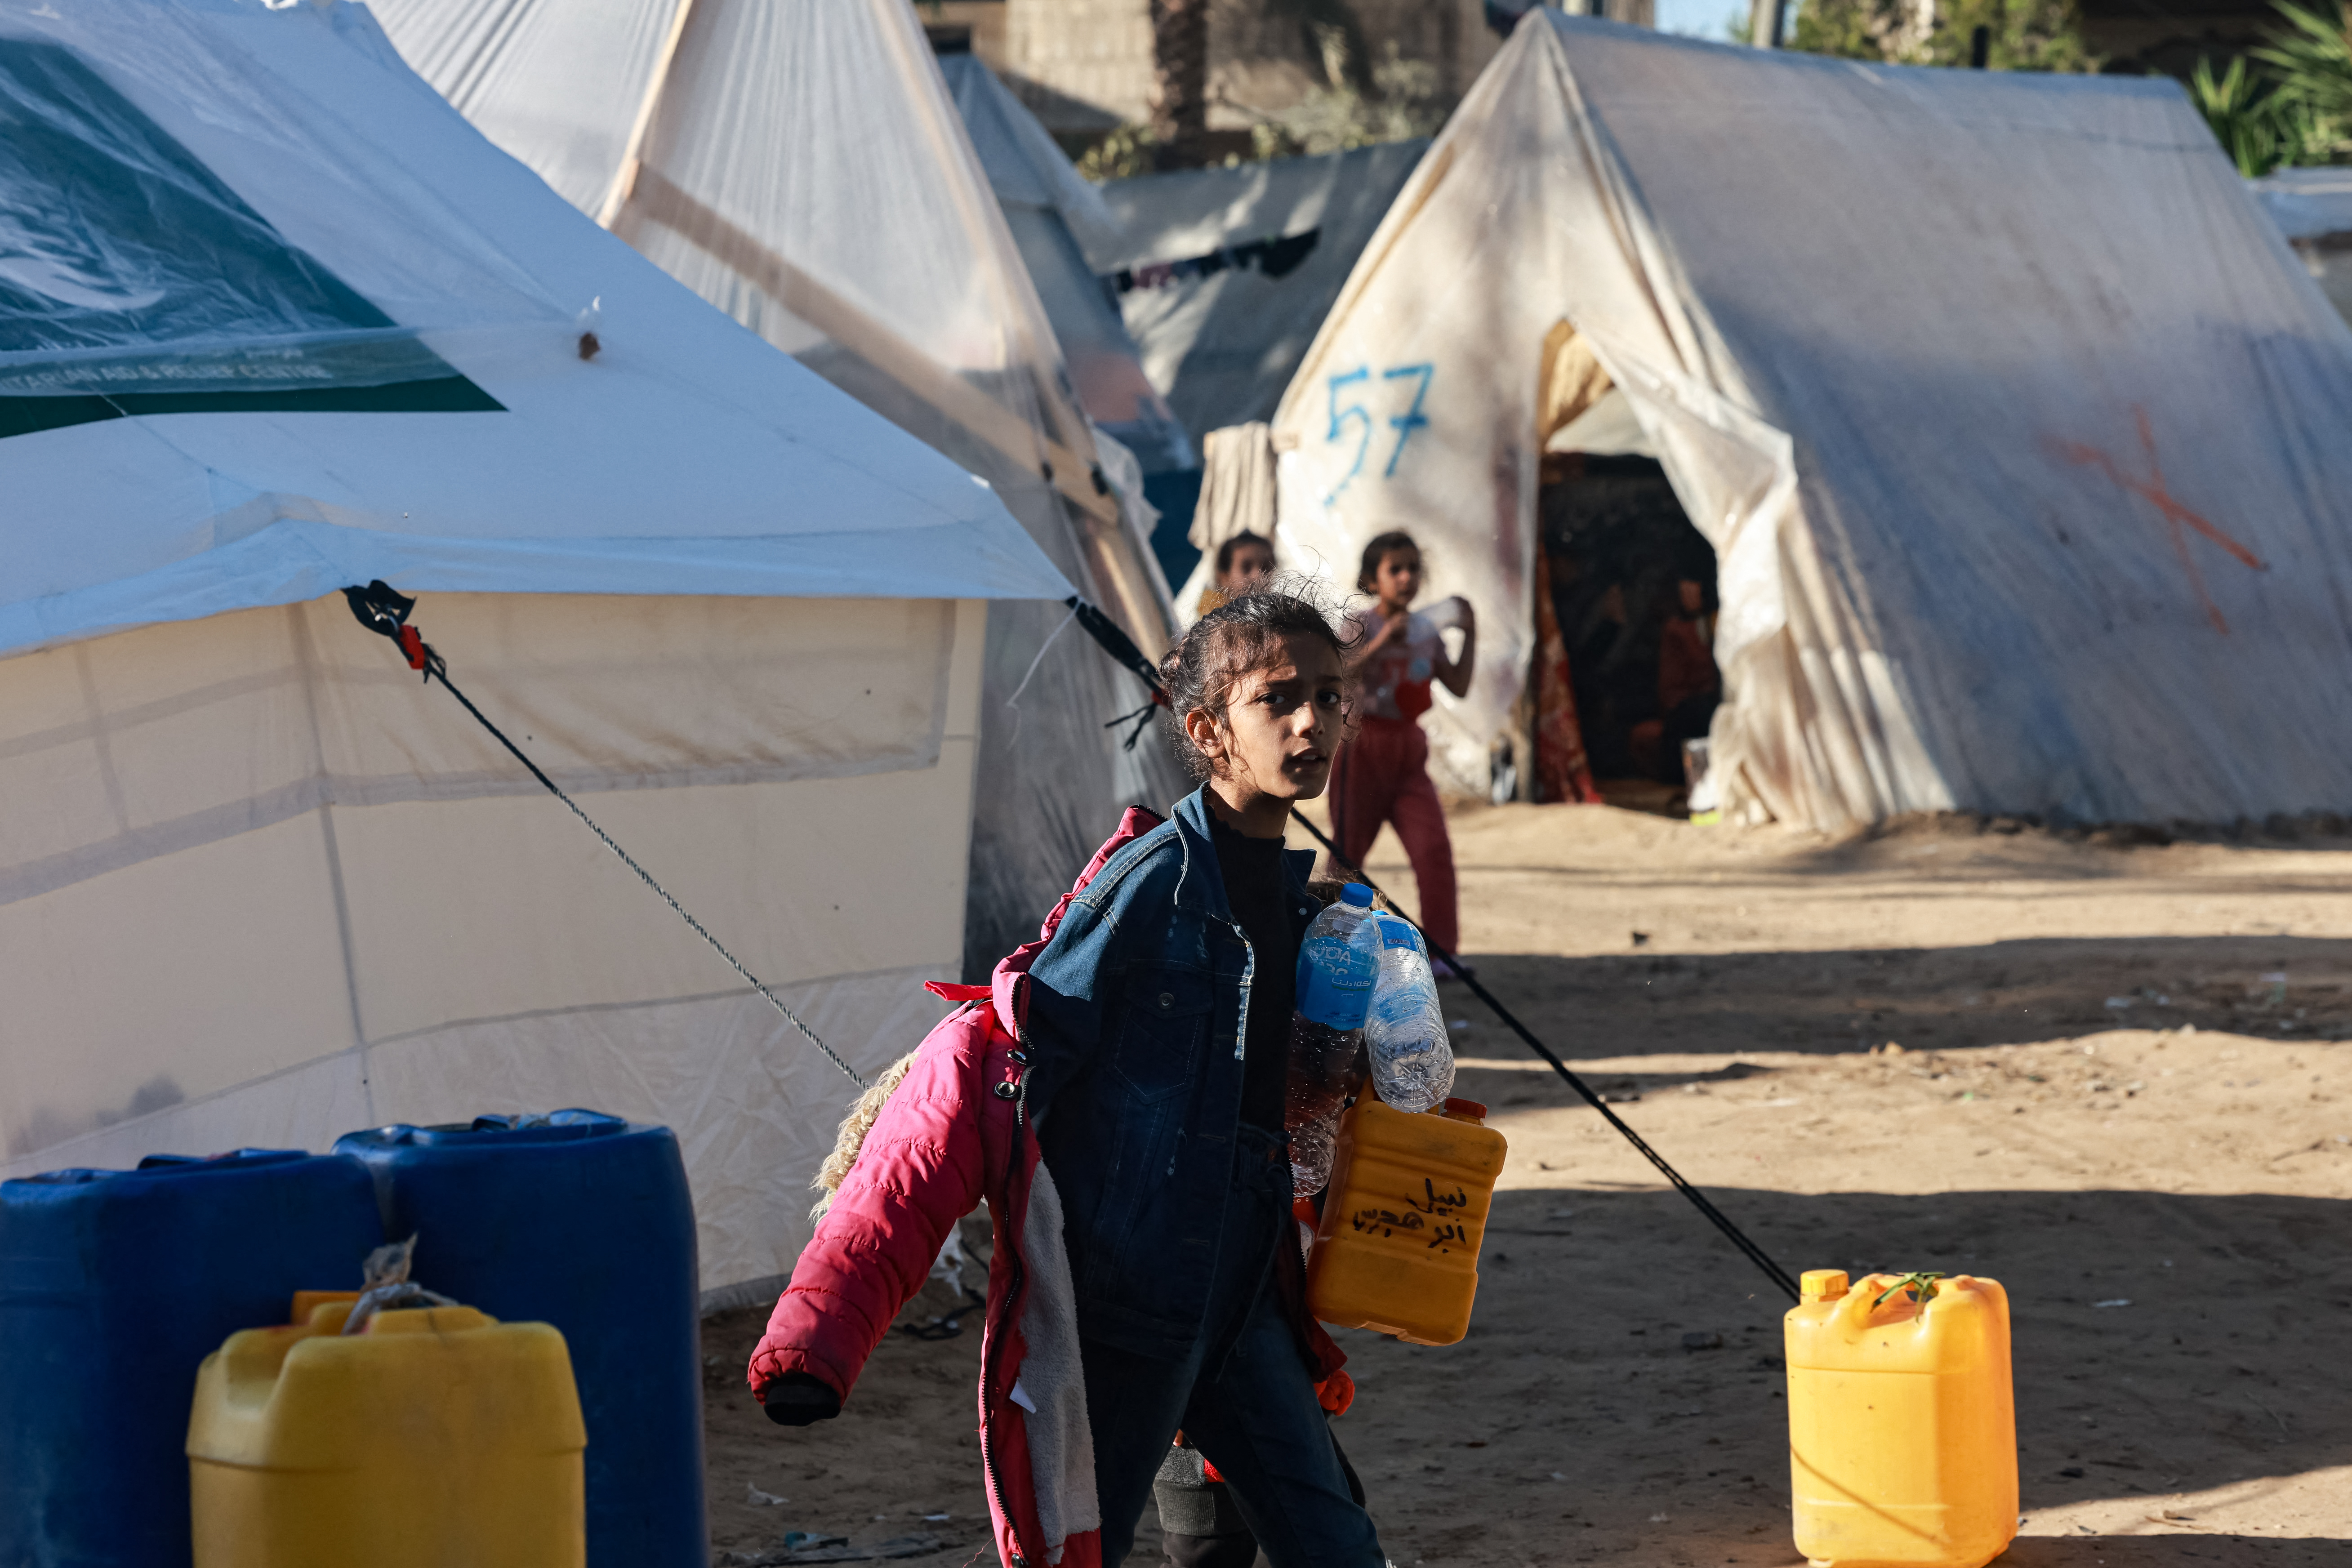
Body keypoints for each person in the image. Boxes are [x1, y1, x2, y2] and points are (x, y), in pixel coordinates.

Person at [746, 590, 1384, 1568]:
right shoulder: (1147, 890)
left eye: (1331, 697)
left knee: (1334, 1544)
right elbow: (1000, 1066)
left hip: (1245, 1296)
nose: (1315, 722)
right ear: (1209, 729)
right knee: (1077, 1550)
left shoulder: (1304, 907)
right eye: (1281, 699)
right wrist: (821, 1331)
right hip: (1129, 1309)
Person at [1331, 530, 1473, 976]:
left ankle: (1442, 953)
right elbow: (1336, 672)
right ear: (1373, 578)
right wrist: (1380, 644)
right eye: (1396, 569)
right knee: (1348, 855)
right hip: (1362, 746)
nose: (1407, 577)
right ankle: (1333, 944)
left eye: (1413, 567)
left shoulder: (1427, 630)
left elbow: (1459, 684)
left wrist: (1471, 633)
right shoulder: (1359, 623)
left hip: (1409, 749)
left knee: (1433, 848)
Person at [1197, 531, 1275, 614]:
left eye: (1266, 568)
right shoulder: (1209, 621)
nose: (1259, 577)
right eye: (1246, 568)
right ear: (1224, 577)